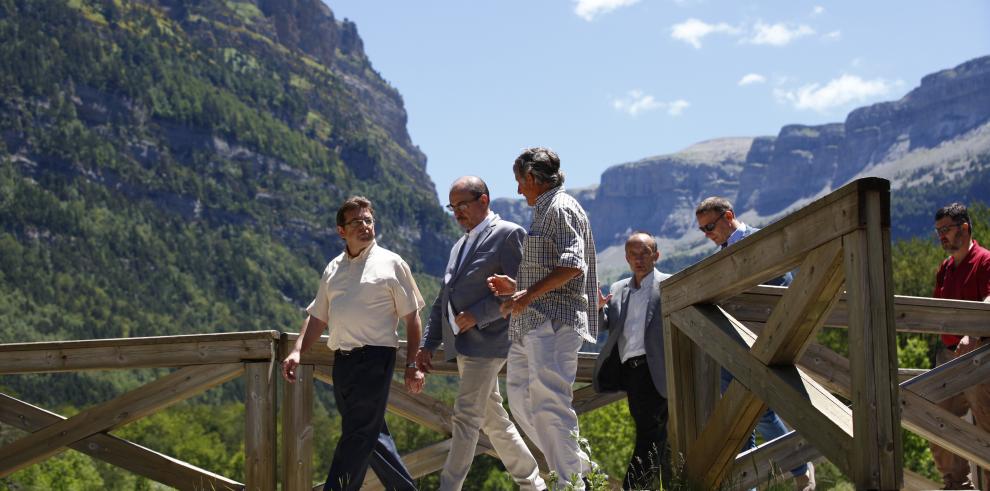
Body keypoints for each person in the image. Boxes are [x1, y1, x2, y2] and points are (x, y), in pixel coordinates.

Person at [281, 196, 425, 491]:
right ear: (341, 230)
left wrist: (412, 364)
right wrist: (297, 351)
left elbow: (412, 319)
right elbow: (317, 317)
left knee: (357, 436)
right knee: (372, 438)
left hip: (376, 360)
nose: (364, 226)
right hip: (343, 363)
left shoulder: (392, 263)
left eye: (368, 220)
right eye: (356, 221)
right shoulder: (333, 268)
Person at [414, 176, 544, 491]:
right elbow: (442, 300)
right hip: (463, 346)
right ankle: (533, 484)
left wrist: (477, 315)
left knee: (466, 418)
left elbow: (520, 290)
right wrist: (427, 344)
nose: (457, 213)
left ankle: (449, 487)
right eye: (452, 207)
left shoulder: (509, 234)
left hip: (490, 343)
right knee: (494, 422)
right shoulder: (460, 244)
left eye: (462, 205)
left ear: (483, 200)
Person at [488, 147, 599, 490]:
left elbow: (573, 264)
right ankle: (579, 466)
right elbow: (553, 266)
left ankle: (572, 485)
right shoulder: (545, 209)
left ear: (533, 179)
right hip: (532, 322)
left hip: (552, 320)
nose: (519, 190)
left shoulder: (560, 208)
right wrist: (518, 285)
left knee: (550, 402)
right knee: (521, 398)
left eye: (520, 182)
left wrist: (528, 293)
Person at [695, 196, 814, 491]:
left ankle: (799, 466)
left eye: (710, 226)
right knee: (734, 415)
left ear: (729, 216)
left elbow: (782, 281)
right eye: (702, 230)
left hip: (762, 338)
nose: (708, 234)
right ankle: (745, 484)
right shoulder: (722, 252)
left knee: (761, 412)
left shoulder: (758, 239)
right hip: (731, 343)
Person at [593, 232, 672, 489]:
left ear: (655, 255)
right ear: (626, 257)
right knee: (656, 433)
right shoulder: (618, 289)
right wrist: (596, 309)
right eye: (633, 255)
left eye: (644, 253)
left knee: (651, 432)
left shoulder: (670, 285)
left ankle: (633, 486)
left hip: (658, 370)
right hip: (632, 373)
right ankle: (668, 484)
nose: (639, 259)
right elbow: (604, 326)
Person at [929, 202, 990, 490]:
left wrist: (973, 332)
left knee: (987, 429)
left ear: (964, 228)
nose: (941, 235)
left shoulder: (985, 261)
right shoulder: (945, 269)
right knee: (935, 419)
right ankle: (957, 485)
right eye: (938, 231)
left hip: (980, 358)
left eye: (946, 229)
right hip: (948, 358)